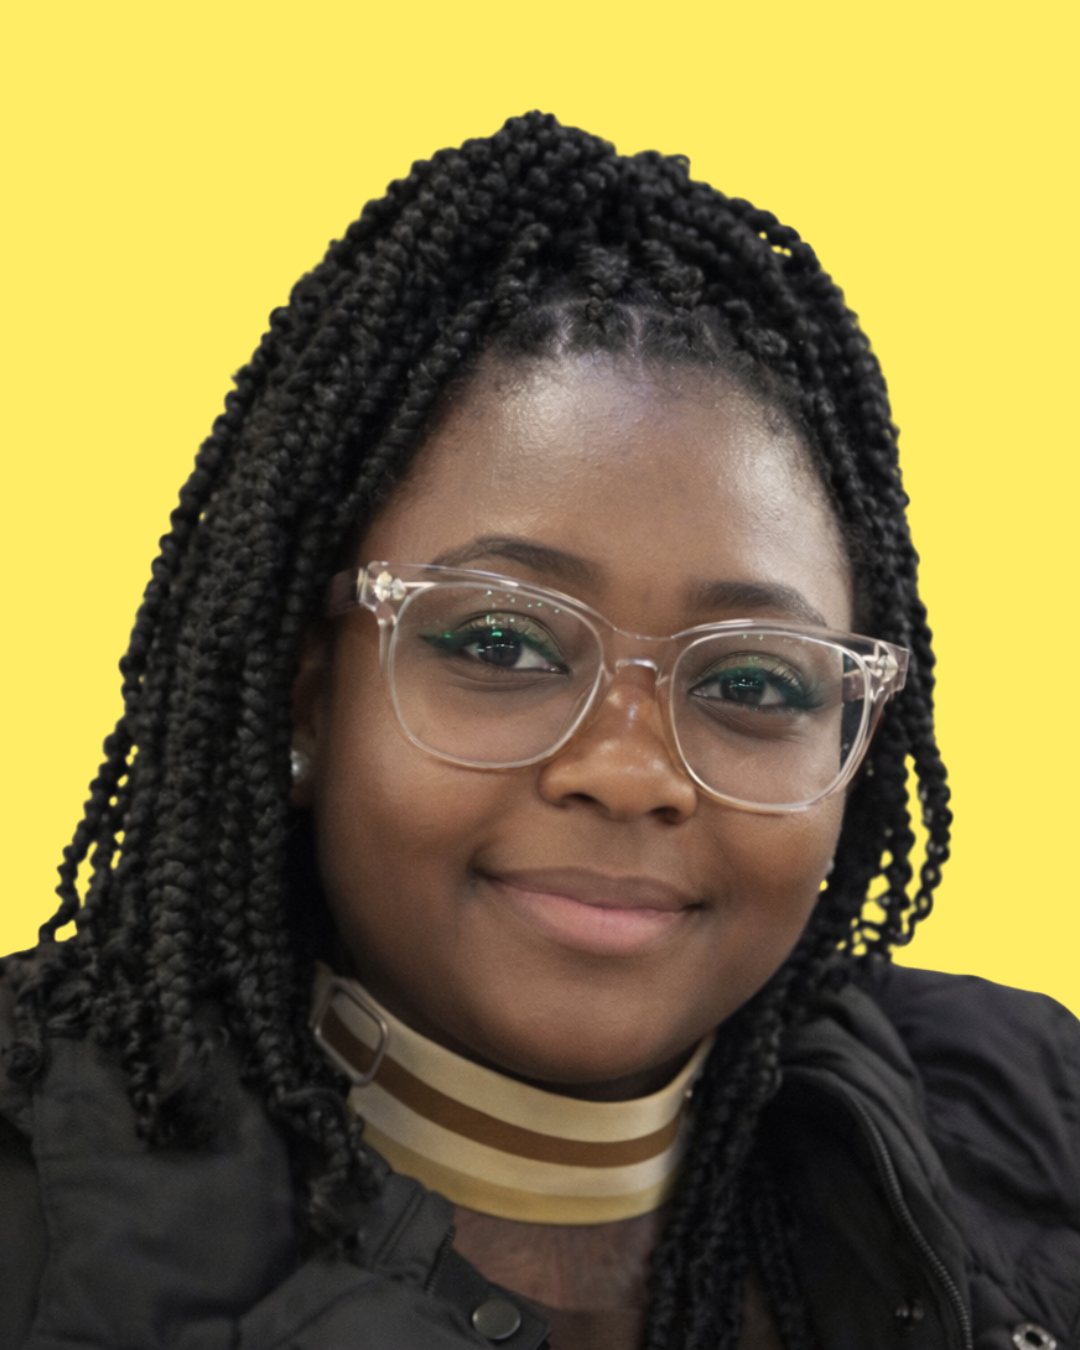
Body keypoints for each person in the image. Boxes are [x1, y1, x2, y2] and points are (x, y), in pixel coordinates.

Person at [0, 112, 1076, 1350]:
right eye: (502, 644)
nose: (630, 771)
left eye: (756, 683)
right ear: (307, 695)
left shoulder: (1035, 1118)